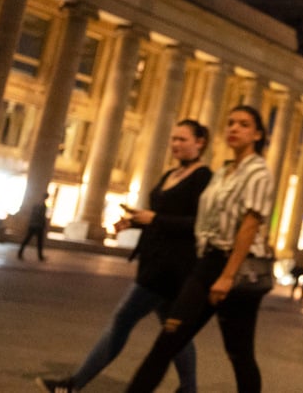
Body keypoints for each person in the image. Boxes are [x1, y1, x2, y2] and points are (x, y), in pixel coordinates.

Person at [37, 120, 212, 393]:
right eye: (174, 138)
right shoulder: (172, 174)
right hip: (154, 261)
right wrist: (135, 221)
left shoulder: (203, 177)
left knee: (122, 321)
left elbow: (197, 224)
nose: (175, 144)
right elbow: (162, 217)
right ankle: (189, 388)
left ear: (199, 142)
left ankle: (73, 384)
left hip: (170, 267)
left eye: (183, 139)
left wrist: (153, 218)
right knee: (175, 331)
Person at [126, 105, 276, 393]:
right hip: (207, 265)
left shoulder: (259, 173)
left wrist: (228, 276)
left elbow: (249, 226)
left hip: (237, 270)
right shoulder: (222, 172)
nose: (233, 128)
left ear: (257, 134)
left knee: (239, 354)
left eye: (243, 124)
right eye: (230, 122)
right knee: (167, 341)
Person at [18, 192, 50, 261]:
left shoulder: (37, 204)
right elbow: (41, 216)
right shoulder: (42, 205)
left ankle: (21, 252)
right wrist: (44, 225)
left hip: (33, 224)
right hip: (38, 226)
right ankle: (40, 256)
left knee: (29, 239)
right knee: (37, 241)